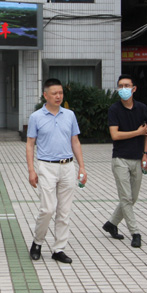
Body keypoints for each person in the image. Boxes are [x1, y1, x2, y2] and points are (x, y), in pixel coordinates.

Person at [26, 78, 87, 264]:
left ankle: (59, 249)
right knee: (47, 209)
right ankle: (37, 242)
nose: (58, 96)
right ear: (45, 95)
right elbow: (30, 145)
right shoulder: (36, 117)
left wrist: (82, 166)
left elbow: (75, 141)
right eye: (54, 93)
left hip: (68, 166)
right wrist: (31, 170)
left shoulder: (69, 115)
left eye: (60, 93)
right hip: (46, 166)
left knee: (64, 211)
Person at [102, 74, 147, 248]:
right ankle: (135, 233)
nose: (123, 89)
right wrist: (136, 133)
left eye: (127, 86)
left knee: (132, 198)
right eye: (120, 86)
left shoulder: (142, 108)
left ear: (134, 88)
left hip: (137, 158)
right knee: (126, 198)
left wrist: (145, 154)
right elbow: (115, 135)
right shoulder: (114, 109)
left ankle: (111, 224)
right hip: (120, 158)